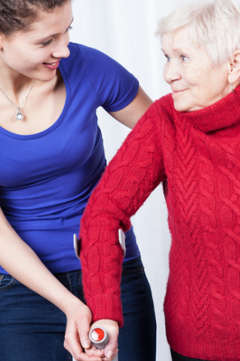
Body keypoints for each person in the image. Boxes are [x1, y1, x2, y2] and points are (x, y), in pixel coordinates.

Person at [79, 0, 240, 360]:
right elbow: (104, 212)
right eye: (167, 57)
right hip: (198, 343)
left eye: (183, 58)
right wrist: (105, 311)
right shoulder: (165, 120)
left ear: (233, 63)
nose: (168, 74)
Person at [0, 1, 156, 361]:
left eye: (68, 29)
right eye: (46, 40)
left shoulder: (90, 67)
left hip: (113, 273)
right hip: (19, 289)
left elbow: (170, 138)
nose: (64, 49)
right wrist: (71, 305)